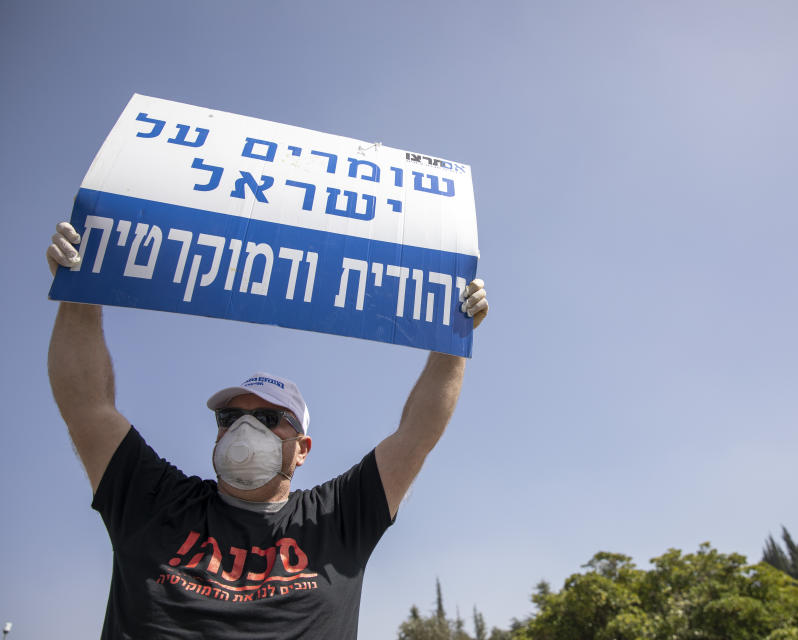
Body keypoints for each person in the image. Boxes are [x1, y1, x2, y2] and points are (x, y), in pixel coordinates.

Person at [46, 221, 489, 640]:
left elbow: (416, 435)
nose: (242, 429)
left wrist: (453, 342)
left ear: (302, 449)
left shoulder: (337, 519)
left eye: (267, 419)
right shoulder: (154, 502)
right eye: (229, 418)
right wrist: (78, 294)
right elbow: (89, 408)